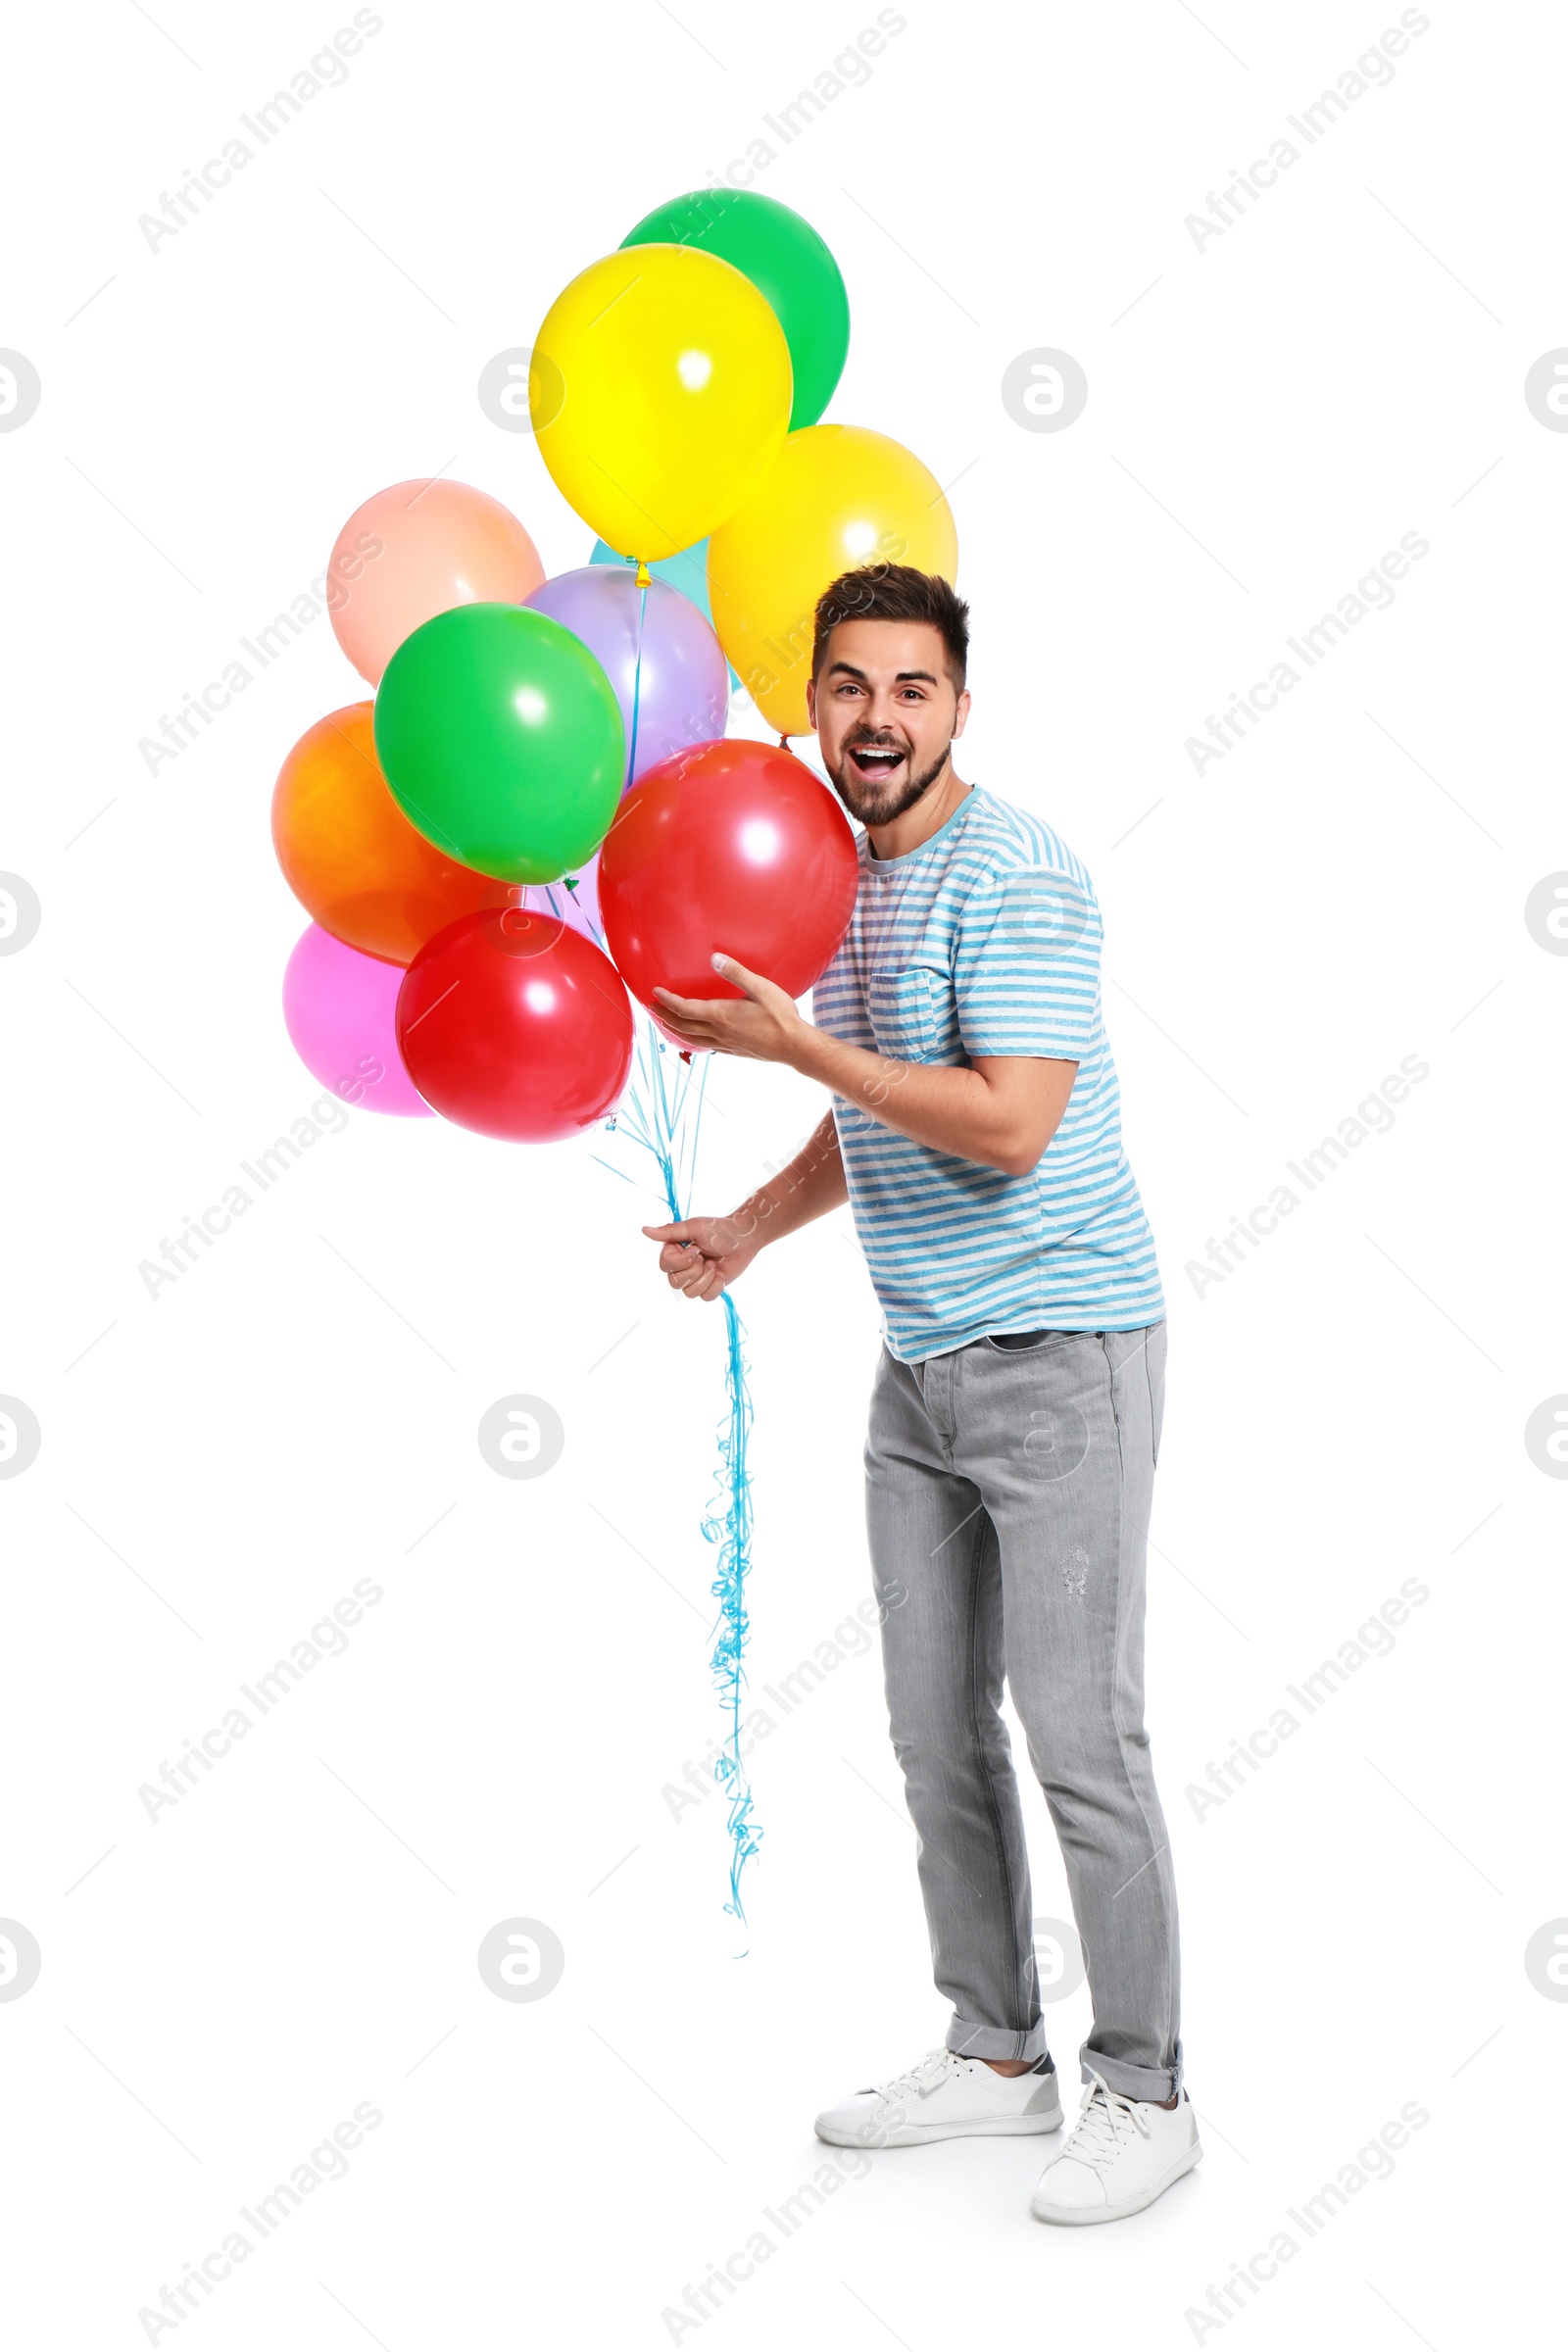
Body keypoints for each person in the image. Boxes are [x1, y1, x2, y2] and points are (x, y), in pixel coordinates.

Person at [643, 564, 1199, 2227]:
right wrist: (748, 1224)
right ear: (806, 701)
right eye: (847, 688)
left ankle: (1148, 2090)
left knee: (1082, 1741)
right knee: (929, 1728)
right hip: (923, 1370)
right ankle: (997, 2053)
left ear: (960, 707)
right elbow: (890, 1102)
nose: (875, 719)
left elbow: (1008, 1118)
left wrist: (798, 1048)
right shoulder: (832, 881)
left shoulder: (1016, 876)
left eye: (911, 689)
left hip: (1063, 1361)